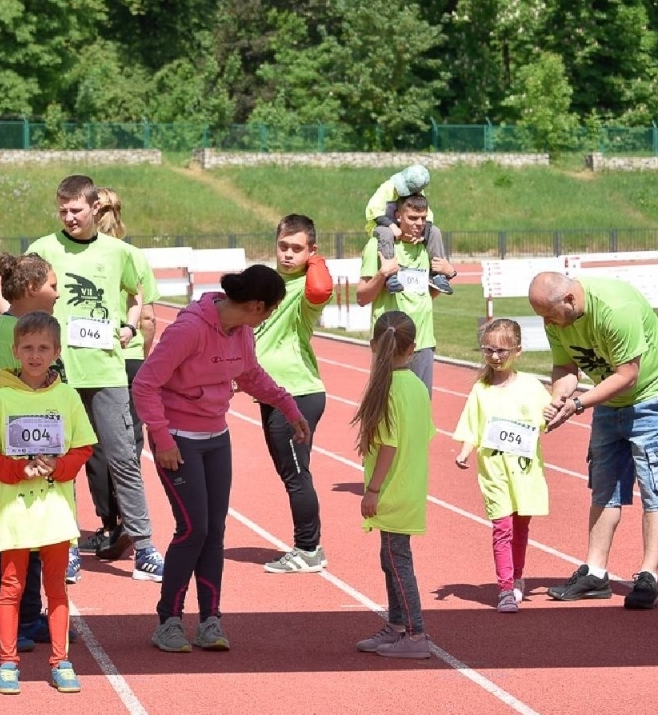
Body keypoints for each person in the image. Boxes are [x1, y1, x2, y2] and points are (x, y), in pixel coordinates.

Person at [134, 266, 309, 653]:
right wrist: (162, 437)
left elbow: (250, 374)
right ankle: (169, 621)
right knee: (192, 529)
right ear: (257, 306)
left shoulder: (242, 331)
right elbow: (145, 384)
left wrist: (287, 406)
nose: (269, 317)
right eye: (270, 310)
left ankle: (209, 621)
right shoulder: (189, 330)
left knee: (214, 531)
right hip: (178, 440)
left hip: (216, 438)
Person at [27, 175, 164, 580]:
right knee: (59, 463)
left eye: (76, 210)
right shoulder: (43, 249)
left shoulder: (120, 252)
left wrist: (131, 326)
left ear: (94, 208)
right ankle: (66, 547)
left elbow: (137, 295)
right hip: (59, 374)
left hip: (106, 371)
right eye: (63, 211)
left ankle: (144, 548)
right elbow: (15, 295)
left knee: (123, 460)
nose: (69, 217)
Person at [530, 271, 658, 609]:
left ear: (569, 299)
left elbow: (628, 375)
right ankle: (595, 572)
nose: (548, 323)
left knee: (656, 486)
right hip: (609, 400)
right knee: (604, 484)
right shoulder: (556, 317)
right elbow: (565, 368)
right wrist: (558, 398)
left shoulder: (615, 308)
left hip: (653, 394)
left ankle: (649, 576)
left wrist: (577, 405)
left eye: (550, 315)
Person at [0, 312, 94, 695]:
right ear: (15, 351)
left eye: (43, 348)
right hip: (15, 512)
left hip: (55, 510)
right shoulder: (1, 399)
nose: (35, 355)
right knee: (11, 586)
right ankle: (8, 663)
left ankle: (61, 661)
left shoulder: (67, 397)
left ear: (56, 352)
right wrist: (17, 470)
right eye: (28, 348)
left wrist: (59, 466)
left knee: (56, 588)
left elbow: (83, 447)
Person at [0, 253, 54, 644]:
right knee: (6, 541)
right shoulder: (0, 339)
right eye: (52, 286)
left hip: (42, 459)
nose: (57, 294)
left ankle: (28, 615)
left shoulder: (36, 332)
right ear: (31, 289)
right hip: (12, 462)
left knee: (35, 539)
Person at [350, 311, 436, 659]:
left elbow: (389, 444)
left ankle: (416, 634)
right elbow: (423, 435)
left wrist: (373, 489)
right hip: (409, 485)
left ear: (374, 345)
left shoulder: (388, 390)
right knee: (391, 558)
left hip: (392, 490)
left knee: (398, 562)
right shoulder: (416, 386)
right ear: (413, 348)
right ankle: (397, 626)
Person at [256, 214, 335, 573]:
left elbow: (321, 290)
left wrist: (316, 262)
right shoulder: (268, 283)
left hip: (297, 392)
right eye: (283, 246)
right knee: (290, 472)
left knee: (296, 474)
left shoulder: (305, 287)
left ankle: (308, 549)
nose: (288, 254)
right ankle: (309, 547)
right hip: (272, 393)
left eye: (297, 248)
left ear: (310, 251)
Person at [454, 319, 550, 613]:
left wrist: (561, 408)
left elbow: (548, 418)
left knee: (520, 528)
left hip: (524, 471)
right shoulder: (481, 390)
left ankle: (517, 576)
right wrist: (465, 451)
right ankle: (505, 589)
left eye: (501, 351)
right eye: (488, 350)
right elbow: (472, 425)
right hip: (494, 472)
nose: (495, 357)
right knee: (502, 528)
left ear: (517, 351)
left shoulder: (531, 386)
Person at [80, 188, 150, 569]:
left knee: (95, 446)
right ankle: (132, 527)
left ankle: (110, 524)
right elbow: (148, 315)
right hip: (130, 355)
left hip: (96, 358)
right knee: (127, 444)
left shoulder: (88, 253)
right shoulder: (133, 254)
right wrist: (140, 347)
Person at [356, 193, 441, 394]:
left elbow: (428, 293)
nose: (419, 224)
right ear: (398, 216)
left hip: (423, 342)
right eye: (412, 218)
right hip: (390, 341)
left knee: (420, 405)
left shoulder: (425, 246)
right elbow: (361, 297)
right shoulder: (378, 246)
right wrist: (383, 274)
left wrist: (448, 273)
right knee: (387, 406)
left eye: (423, 218)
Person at [364, 165, 455, 294]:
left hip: (404, 227)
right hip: (382, 226)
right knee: (386, 233)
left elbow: (428, 216)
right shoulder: (387, 188)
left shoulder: (417, 192)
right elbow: (374, 211)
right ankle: (391, 276)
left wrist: (423, 234)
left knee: (434, 231)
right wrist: (391, 226)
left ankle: (437, 274)